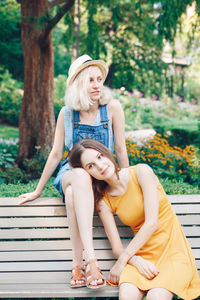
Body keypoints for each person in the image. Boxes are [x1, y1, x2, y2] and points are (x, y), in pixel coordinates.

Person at [18, 55, 129, 289]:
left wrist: (128, 181)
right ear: (79, 84)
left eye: (100, 79)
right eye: (91, 80)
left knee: (72, 197)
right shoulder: (67, 114)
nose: (98, 84)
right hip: (72, 173)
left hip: (99, 176)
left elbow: (120, 149)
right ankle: (92, 261)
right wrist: (38, 190)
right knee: (79, 175)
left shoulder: (112, 109)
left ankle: (77, 265)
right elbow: (57, 154)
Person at [68, 138, 200, 300]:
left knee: (156, 296)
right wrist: (135, 261)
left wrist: (121, 262)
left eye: (99, 157)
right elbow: (116, 248)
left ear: (107, 154)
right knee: (127, 295)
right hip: (140, 255)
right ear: (87, 174)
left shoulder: (141, 172)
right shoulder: (104, 201)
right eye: (90, 166)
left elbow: (152, 223)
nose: (100, 166)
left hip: (173, 253)